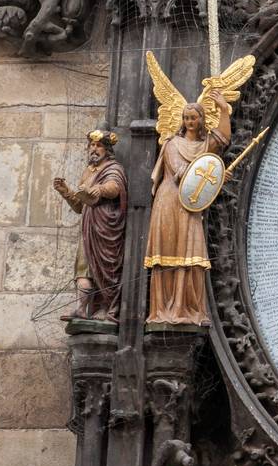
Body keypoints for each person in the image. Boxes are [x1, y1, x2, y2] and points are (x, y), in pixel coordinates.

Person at [145, 96, 230, 326]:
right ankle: (165, 308)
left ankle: (188, 308)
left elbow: (222, 138)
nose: (189, 121)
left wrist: (223, 109)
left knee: (191, 253)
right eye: (186, 118)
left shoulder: (204, 146)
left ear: (201, 120)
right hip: (171, 199)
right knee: (169, 250)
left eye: (193, 118)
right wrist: (213, 174)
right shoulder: (172, 144)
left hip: (191, 205)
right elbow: (181, 172)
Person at [53, 129, 127, 324]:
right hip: (88, 226)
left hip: (105, 226)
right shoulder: (88, 172)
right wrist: (66, 192)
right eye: (91, 145)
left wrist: (100, 189)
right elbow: (79, 206)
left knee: (104, 268)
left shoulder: (113, 168)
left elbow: (115, 188)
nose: (94, 149)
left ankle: (106, 307)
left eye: (99, 145)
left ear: (107, 149)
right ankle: (81, 308)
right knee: (84, 268)